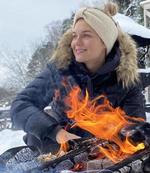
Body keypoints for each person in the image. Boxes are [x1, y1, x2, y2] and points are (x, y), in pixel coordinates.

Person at [10, 2, 146, 154]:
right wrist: (56, 132)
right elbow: (21, 105)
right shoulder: (60, 69)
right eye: (74, 36)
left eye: (86, 35)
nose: (76, 43)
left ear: (105, 42)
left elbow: (135, 130)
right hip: (56, 152)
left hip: (104, 155)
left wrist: (132, 135)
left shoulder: (126, 79)